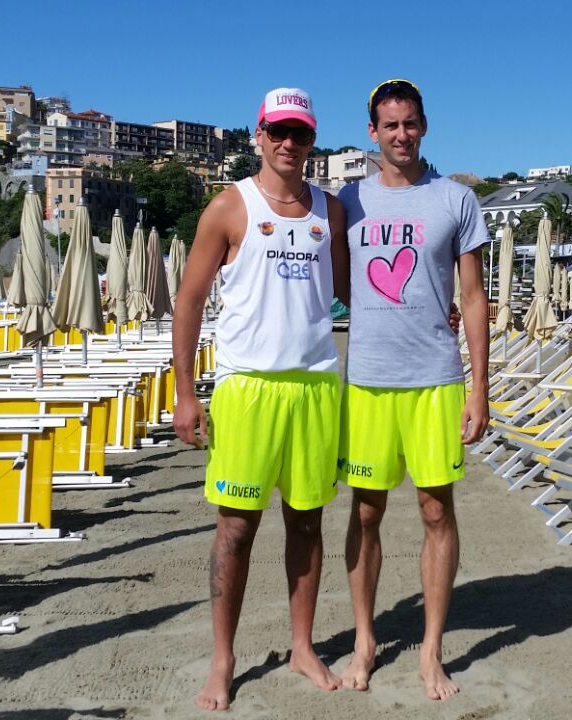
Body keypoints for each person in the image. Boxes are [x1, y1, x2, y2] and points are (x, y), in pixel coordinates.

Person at [172, 87, 349, 712]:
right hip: (247, 386)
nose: (287, 143)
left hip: (315, 385)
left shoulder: (331, 210)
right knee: (236, 527)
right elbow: (189, 301)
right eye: (278, 131)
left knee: (307, 520)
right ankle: (224, 659)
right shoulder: (229, 206)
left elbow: (357, 294)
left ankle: (303, 646)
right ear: (258, 134)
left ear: (311, 139)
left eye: (299, 133)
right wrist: (185, 393)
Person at [335, 78, 491, 700]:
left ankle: (430, 649)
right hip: (369, 379)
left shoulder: (455, 200)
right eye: (389, 125)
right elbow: (337, 285)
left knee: (435, 510)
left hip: (435, 380)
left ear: (424, 126)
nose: (401, 135)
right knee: (366, 512)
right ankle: (365, 640)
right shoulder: (348, 202)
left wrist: (480, 389)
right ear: (372, 133)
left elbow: (474, 298)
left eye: (411, 123)